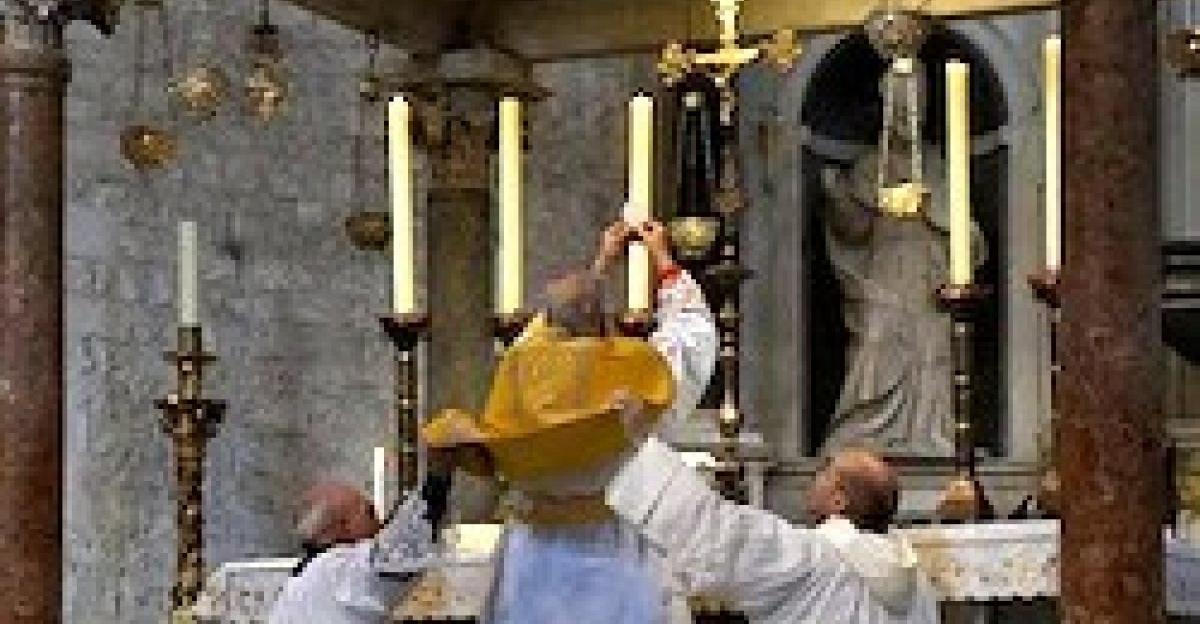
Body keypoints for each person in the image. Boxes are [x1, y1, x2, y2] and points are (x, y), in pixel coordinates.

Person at [423, 217, 718, 624]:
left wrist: (601, 264)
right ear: (604, 318)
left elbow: (558, 320)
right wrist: (663, 259)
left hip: (533, 563)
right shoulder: (633, 369)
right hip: (613, 559)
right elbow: (688, 341)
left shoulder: (521, 369)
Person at [606, 399, 939, 624]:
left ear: (839, 501)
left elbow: (720, 539)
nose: (814, 477)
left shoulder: (818, 561)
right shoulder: (915, 577)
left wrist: (637, 446)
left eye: (826, 472)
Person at [820, 57, 984, 458]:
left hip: (929, 274)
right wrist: (840, 198)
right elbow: (852, 232)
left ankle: (933, 435)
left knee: (933, 352)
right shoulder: (868, 166)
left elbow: (968, 231)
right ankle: (863, 432)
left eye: (915, 101)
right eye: (898, 101)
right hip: (882, 272)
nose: (906, 111)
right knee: (876, 340)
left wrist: (934, 207)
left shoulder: (939, 165)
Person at [266, 446, 478, 624]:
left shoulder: (308, 578)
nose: (379, 521)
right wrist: (438, 476)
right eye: (368, 512)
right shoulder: (336, 569)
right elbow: (400, 548)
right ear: (339, 527)